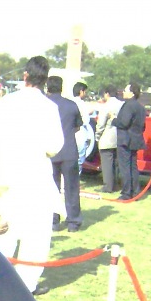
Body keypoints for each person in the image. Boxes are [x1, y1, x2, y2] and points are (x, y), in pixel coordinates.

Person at [0, 56, 63, 296]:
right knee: (36, 237)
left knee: (5, 233)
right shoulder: (49, 107)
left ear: (25, 75)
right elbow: (54, 146)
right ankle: (27, 284)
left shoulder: (6, 102)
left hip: (9, 176)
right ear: (45, 80)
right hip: (37, 179)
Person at [46, 75, 83, 232]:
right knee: (72, 188)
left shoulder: (45, 105)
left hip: (50, 151)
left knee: (51, 188)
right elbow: (78, 126)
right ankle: (73, 221)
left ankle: (53, 220)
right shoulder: (71, 105)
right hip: (69, 150)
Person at [114, 82, 147, 200]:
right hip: (135, 139)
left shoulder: (128, 105)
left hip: (125, 140)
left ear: (132, 93)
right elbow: (143, 126)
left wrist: (113, 119)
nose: (123, 92)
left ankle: (126, 192)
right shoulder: (141, 107)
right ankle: (135, 191)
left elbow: (124, 122)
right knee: (133, 167)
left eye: (126, 90)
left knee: (125, 167)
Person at [95, 85, 124, 192]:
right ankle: (115, 184)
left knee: (107, 164)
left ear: (107, 93)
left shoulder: (106, 106)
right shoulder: (122, 105)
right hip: (119, 137)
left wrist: (97, 136)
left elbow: (100, 124)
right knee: (116, 164)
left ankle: (108, 186)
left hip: (107, 137)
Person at [72, 81, 92, 174]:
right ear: (81, 91)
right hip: (80, 133)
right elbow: (86, 121)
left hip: (70, 134)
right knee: (79, 160)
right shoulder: (82, 104)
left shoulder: (69, 102)